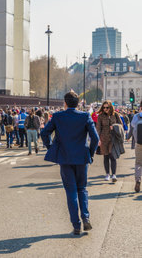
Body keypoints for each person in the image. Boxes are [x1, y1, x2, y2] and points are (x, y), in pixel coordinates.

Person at [41, 91, 99, 235]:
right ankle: (85, 217)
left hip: (65, 158)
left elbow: (44, 133)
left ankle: (76, 225)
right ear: (78, 103)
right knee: (82, 189)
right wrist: (90, 153)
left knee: (71, 191)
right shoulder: (85, 116)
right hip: (82, 157)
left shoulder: (58, 116)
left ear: (65, 103)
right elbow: (95, 138)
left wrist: (51, 148)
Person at [96, 100, 123, 182]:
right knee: (106, 156)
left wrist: (114, 126)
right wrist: (98, 139)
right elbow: (98, 128)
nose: (105, 109)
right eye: (104, 107)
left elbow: (121, 125)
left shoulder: (116, 115)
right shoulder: (100, 116)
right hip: (104, 139)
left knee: (112, 156)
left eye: (107, 107)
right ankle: (107, 174)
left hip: (113, 138)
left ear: (110, 107)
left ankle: (114, 175)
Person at [128, 101, 142, 192]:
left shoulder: (137, 116)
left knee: (138, 163)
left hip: (139, 143)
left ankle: (138, 180)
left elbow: (132, 126)